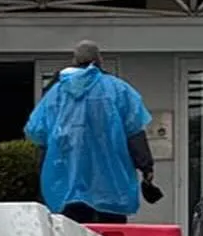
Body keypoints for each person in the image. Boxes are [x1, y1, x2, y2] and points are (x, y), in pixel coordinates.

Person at [24, 41, 161, 223]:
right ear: (99, 60)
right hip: (111, 182)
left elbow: (37, 132)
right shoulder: (119, 90)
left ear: (74, 61)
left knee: (72, 233)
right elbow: (134, 133)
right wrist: (146, 167)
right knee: (110, 234)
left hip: (67, 180)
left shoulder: (55, 93)